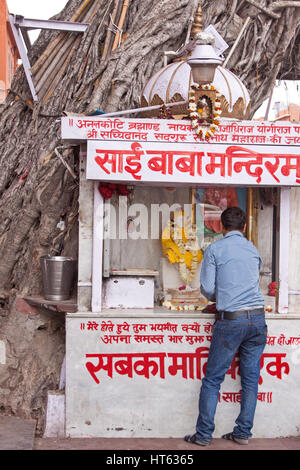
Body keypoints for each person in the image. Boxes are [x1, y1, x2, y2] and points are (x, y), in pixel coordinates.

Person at [184, 206, 267, 446]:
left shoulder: (215, 249)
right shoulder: (253, 249)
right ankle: (242, 433)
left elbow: (208, 289)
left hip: (231, 321)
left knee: (213, 379)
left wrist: (222, 294)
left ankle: (203, 435)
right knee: (251, 380)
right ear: (243, 227)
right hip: (258, 320)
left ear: (220, 227)